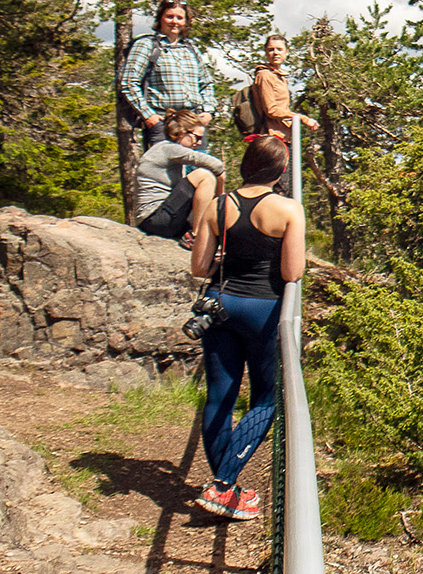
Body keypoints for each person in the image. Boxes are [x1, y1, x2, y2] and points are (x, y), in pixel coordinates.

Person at [188, 135, 305, 521]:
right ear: (281, 171)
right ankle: (223, 485)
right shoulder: (288, 209)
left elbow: (199, 268)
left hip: (221, 304)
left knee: (219, 396)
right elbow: (292, 272)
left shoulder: (217, 206)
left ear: (245, 164)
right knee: (266, 400)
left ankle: (228, 487)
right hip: (263, 310)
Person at [120, 0, 216, 150]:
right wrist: (148, 115)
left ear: (185, 21)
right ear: (160, 18)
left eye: (179, 17)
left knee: (199, 171)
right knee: (163, 173)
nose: (174, 21)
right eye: (169, 16)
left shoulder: (191, 48)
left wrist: (208, 111)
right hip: (163, 123)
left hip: (193, 122)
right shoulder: (146, 45)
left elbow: (206, 83)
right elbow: (128, 83)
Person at [134, 110, 225, 243]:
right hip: (156, 219)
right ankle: (197, 236)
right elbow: (217, 165)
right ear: (182, 133)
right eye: (197, 137)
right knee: (204, 175)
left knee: (201, 181)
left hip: (157, 219)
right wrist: (221, 189)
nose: (199, 143)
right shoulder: (169, 148)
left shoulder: (166, 150)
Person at [251, 34, 319, 195]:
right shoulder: (265, 75)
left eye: (279, 49)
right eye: (271, 49)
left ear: (286, 52)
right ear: (266, 52)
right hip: (272, 139)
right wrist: (301, 118)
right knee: (280, 188)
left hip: (283, 137)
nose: (275, 53)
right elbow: (271, 109)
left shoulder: (278, 76)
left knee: (286, 188)